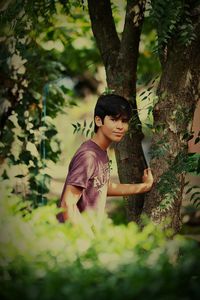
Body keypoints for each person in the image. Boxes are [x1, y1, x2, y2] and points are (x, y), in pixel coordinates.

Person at [57, 94, 153, 236]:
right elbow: (67, 204)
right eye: (114, 119)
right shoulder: (88, 156)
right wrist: (89, 242)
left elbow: (103, 187)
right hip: (72, 240)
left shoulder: (100, 152)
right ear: (98, 120)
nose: (120, 126)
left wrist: (144, 186)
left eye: (124, 121)